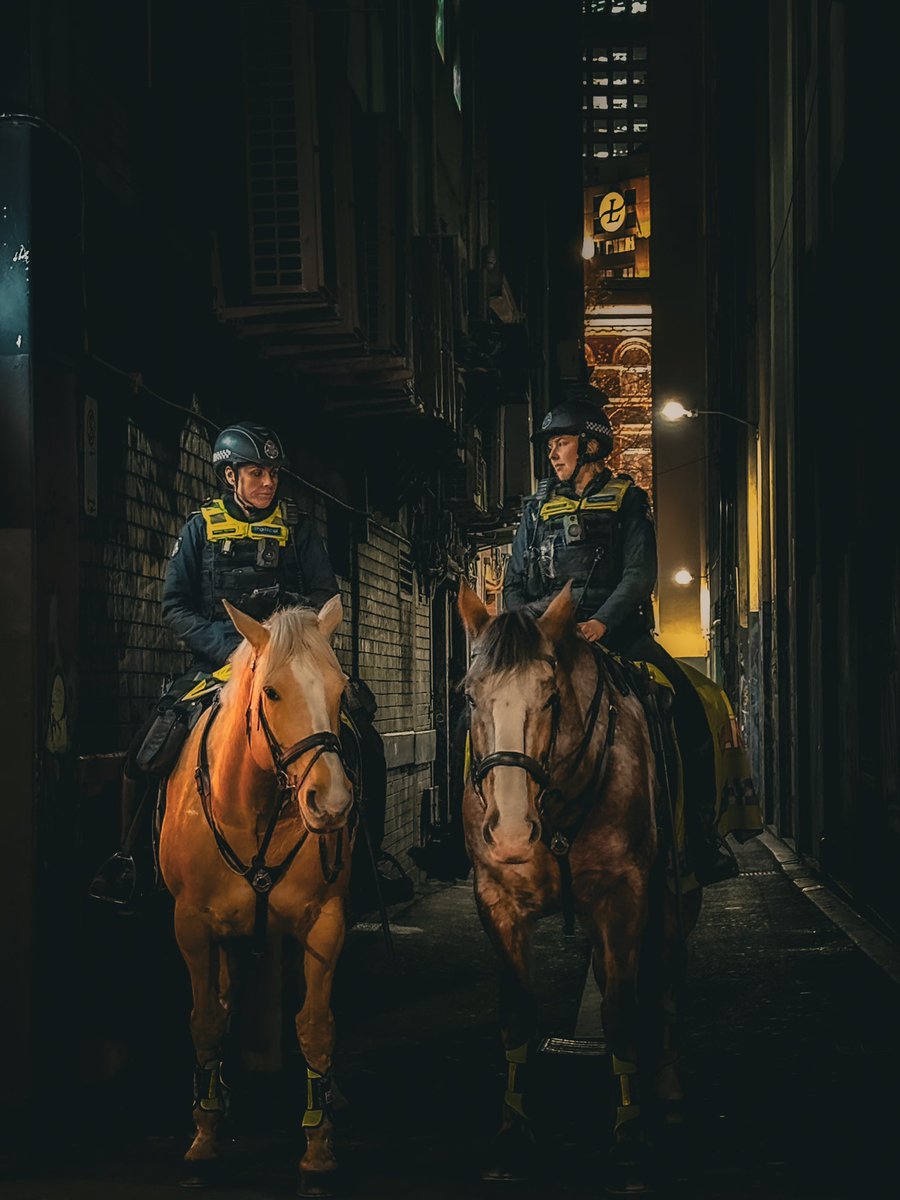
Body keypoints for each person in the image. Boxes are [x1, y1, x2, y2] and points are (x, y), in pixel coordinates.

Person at [89, 421, 408, 908]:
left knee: (365, 738)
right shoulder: (200, 528)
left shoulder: (298, 530)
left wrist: (290, 637)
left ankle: (369, 862)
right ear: (230, 476)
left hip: (289, 668)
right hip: (218, 667)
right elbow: (175, 605)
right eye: (256, 472)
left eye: (273, 474)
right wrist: (229, 648)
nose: (267, 482)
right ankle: (129, 860)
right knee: (147, 750)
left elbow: (326, 597)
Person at [503, 385, 738, 886]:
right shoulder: (534, 508)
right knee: (476, 712)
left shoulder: (629, 500)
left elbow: (639, 574)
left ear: (589, 445)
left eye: (560, 442)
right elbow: (515, 583)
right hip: (548, 640)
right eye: (549, 445)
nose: (551, 452)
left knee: (691, 712)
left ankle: (701, 837)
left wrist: (601, 622)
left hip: (618, 635)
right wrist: (535, 629)